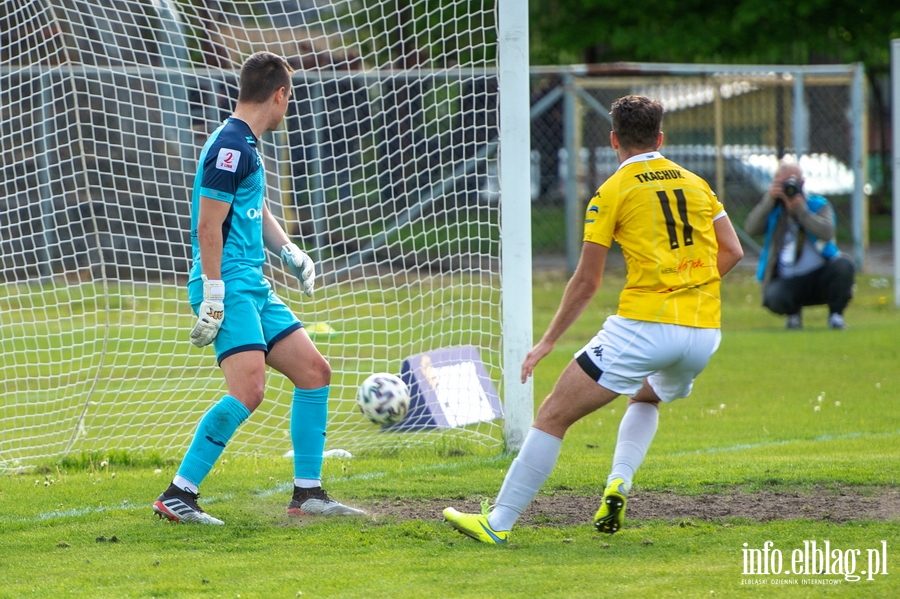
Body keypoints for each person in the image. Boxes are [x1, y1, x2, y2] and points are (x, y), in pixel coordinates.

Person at [443, 95, 743, 543]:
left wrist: (546, 342)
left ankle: (497, 523)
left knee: (552, 416)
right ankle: (619, 482)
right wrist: (690, 289)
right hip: (703, 333)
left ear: (613, 140)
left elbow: (586, 281)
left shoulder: (614, 190)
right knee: (645, 397)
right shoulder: (698, 184)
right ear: (660, 138)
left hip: (644, 325)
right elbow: (733, 251)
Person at [152, 51, 364, 525]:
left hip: (254, 283)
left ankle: (307, 493)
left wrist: (289, 250)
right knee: (248, 389)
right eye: (290, 98)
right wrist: (212, 293)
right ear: (279, 94)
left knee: (314, 370)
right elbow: (209, 226)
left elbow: (253, 207)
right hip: (229, 287)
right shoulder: (232, 146)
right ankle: (178, 494)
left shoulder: (245, 144)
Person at [744, 160, 855, 330]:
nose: (789, 187)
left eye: (792, 181)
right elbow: (750, 228)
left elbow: (827, 232)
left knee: (844, 265)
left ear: (802, 182)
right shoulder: (775, 210)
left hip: (820, 276)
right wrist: (769, 200)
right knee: (773, 296)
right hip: (789, 279)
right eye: (784, 183)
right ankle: (793, 314)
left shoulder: (817, 205)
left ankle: (836, 316)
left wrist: (802, 211)